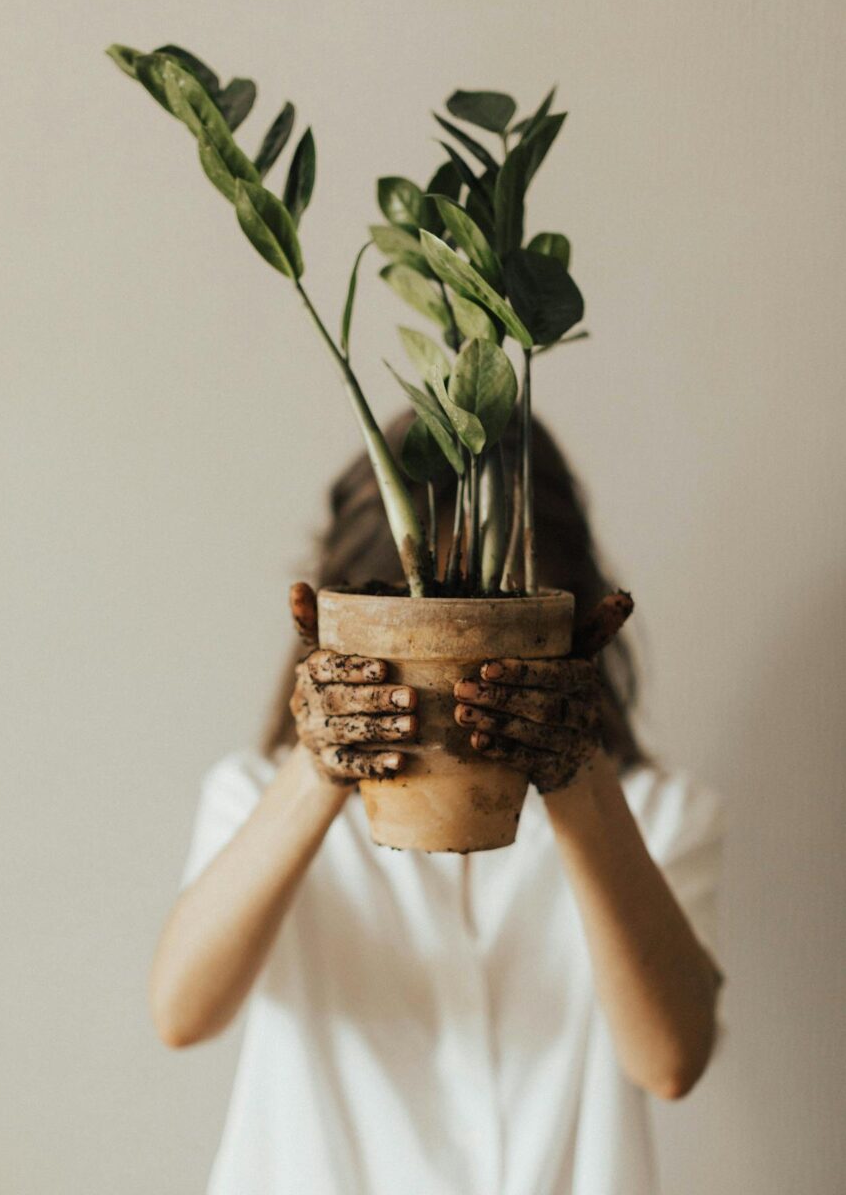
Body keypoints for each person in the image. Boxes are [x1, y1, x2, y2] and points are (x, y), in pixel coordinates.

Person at [149, 411, 726, 1195]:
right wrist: (321, 763)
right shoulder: (254, 796)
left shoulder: (659, 816)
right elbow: (182, 1014)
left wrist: (570, 768)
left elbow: (668, 1063)